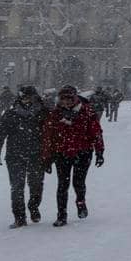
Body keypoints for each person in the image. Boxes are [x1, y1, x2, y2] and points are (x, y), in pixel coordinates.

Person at [40, 85, 105, 226]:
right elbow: (48, 137)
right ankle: (61, 215)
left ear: (75, 98)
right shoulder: (55, 114)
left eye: (69, 98)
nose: (66, 102)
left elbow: (96, 132)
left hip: (83, 152)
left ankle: (80, 201)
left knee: (78, 182)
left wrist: (100, 151)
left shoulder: (86, 111)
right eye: (63, 99)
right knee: (62, 185)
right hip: (62, 153)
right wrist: (47, 157)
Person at [1, 85, 47, 227]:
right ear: (20, 98)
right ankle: (19, 217)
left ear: (35, 97)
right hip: (15, 155)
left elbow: (50, 135)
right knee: (16, 187)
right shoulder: (10, 114)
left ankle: (33, 207)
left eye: (30, 97)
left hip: (36, 154)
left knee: (36, 185)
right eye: (24, 97)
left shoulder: (43, 113)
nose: (27, 100)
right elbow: (1, 133)